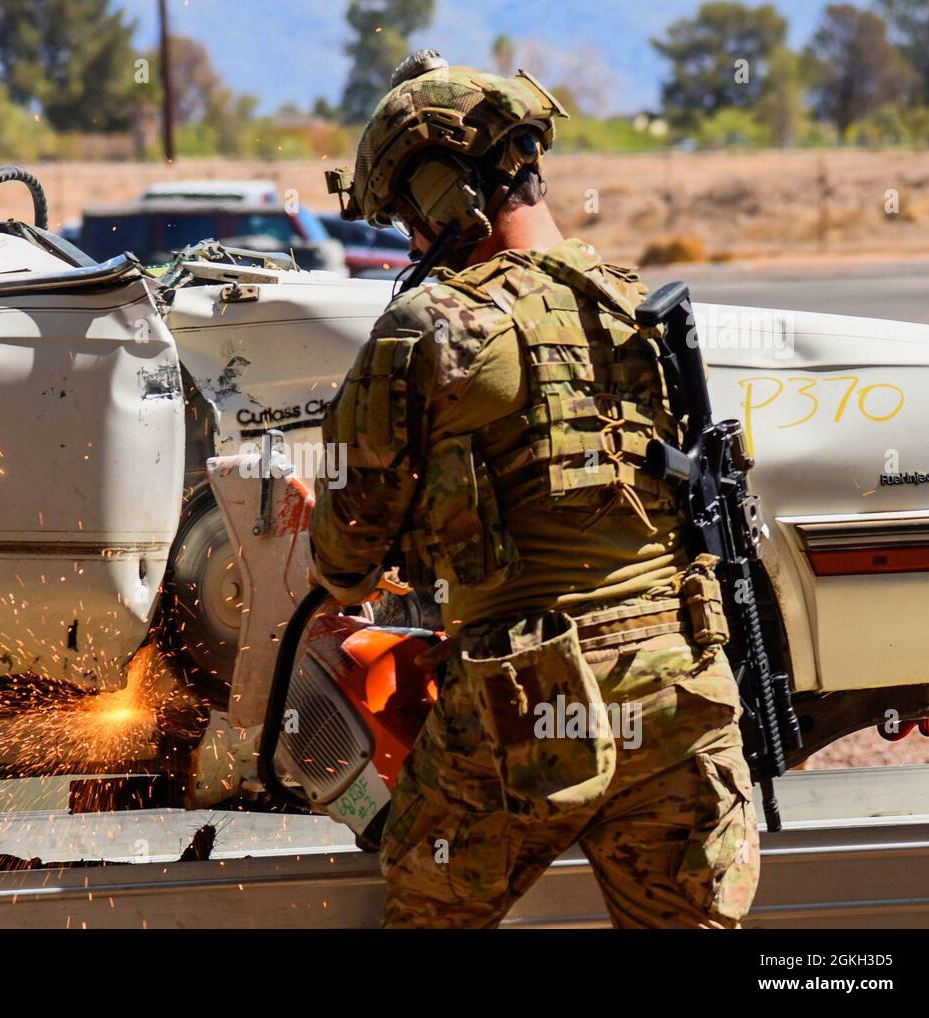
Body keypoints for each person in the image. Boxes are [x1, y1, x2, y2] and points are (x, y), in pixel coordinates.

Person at [309, 50, 759, 928]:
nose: (405, 239)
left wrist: (311, 511)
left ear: (444, 192)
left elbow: (344, 557)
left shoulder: (430, 327)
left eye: (404, 210)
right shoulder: (633, 305)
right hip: (680, 688)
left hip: (527, 707)